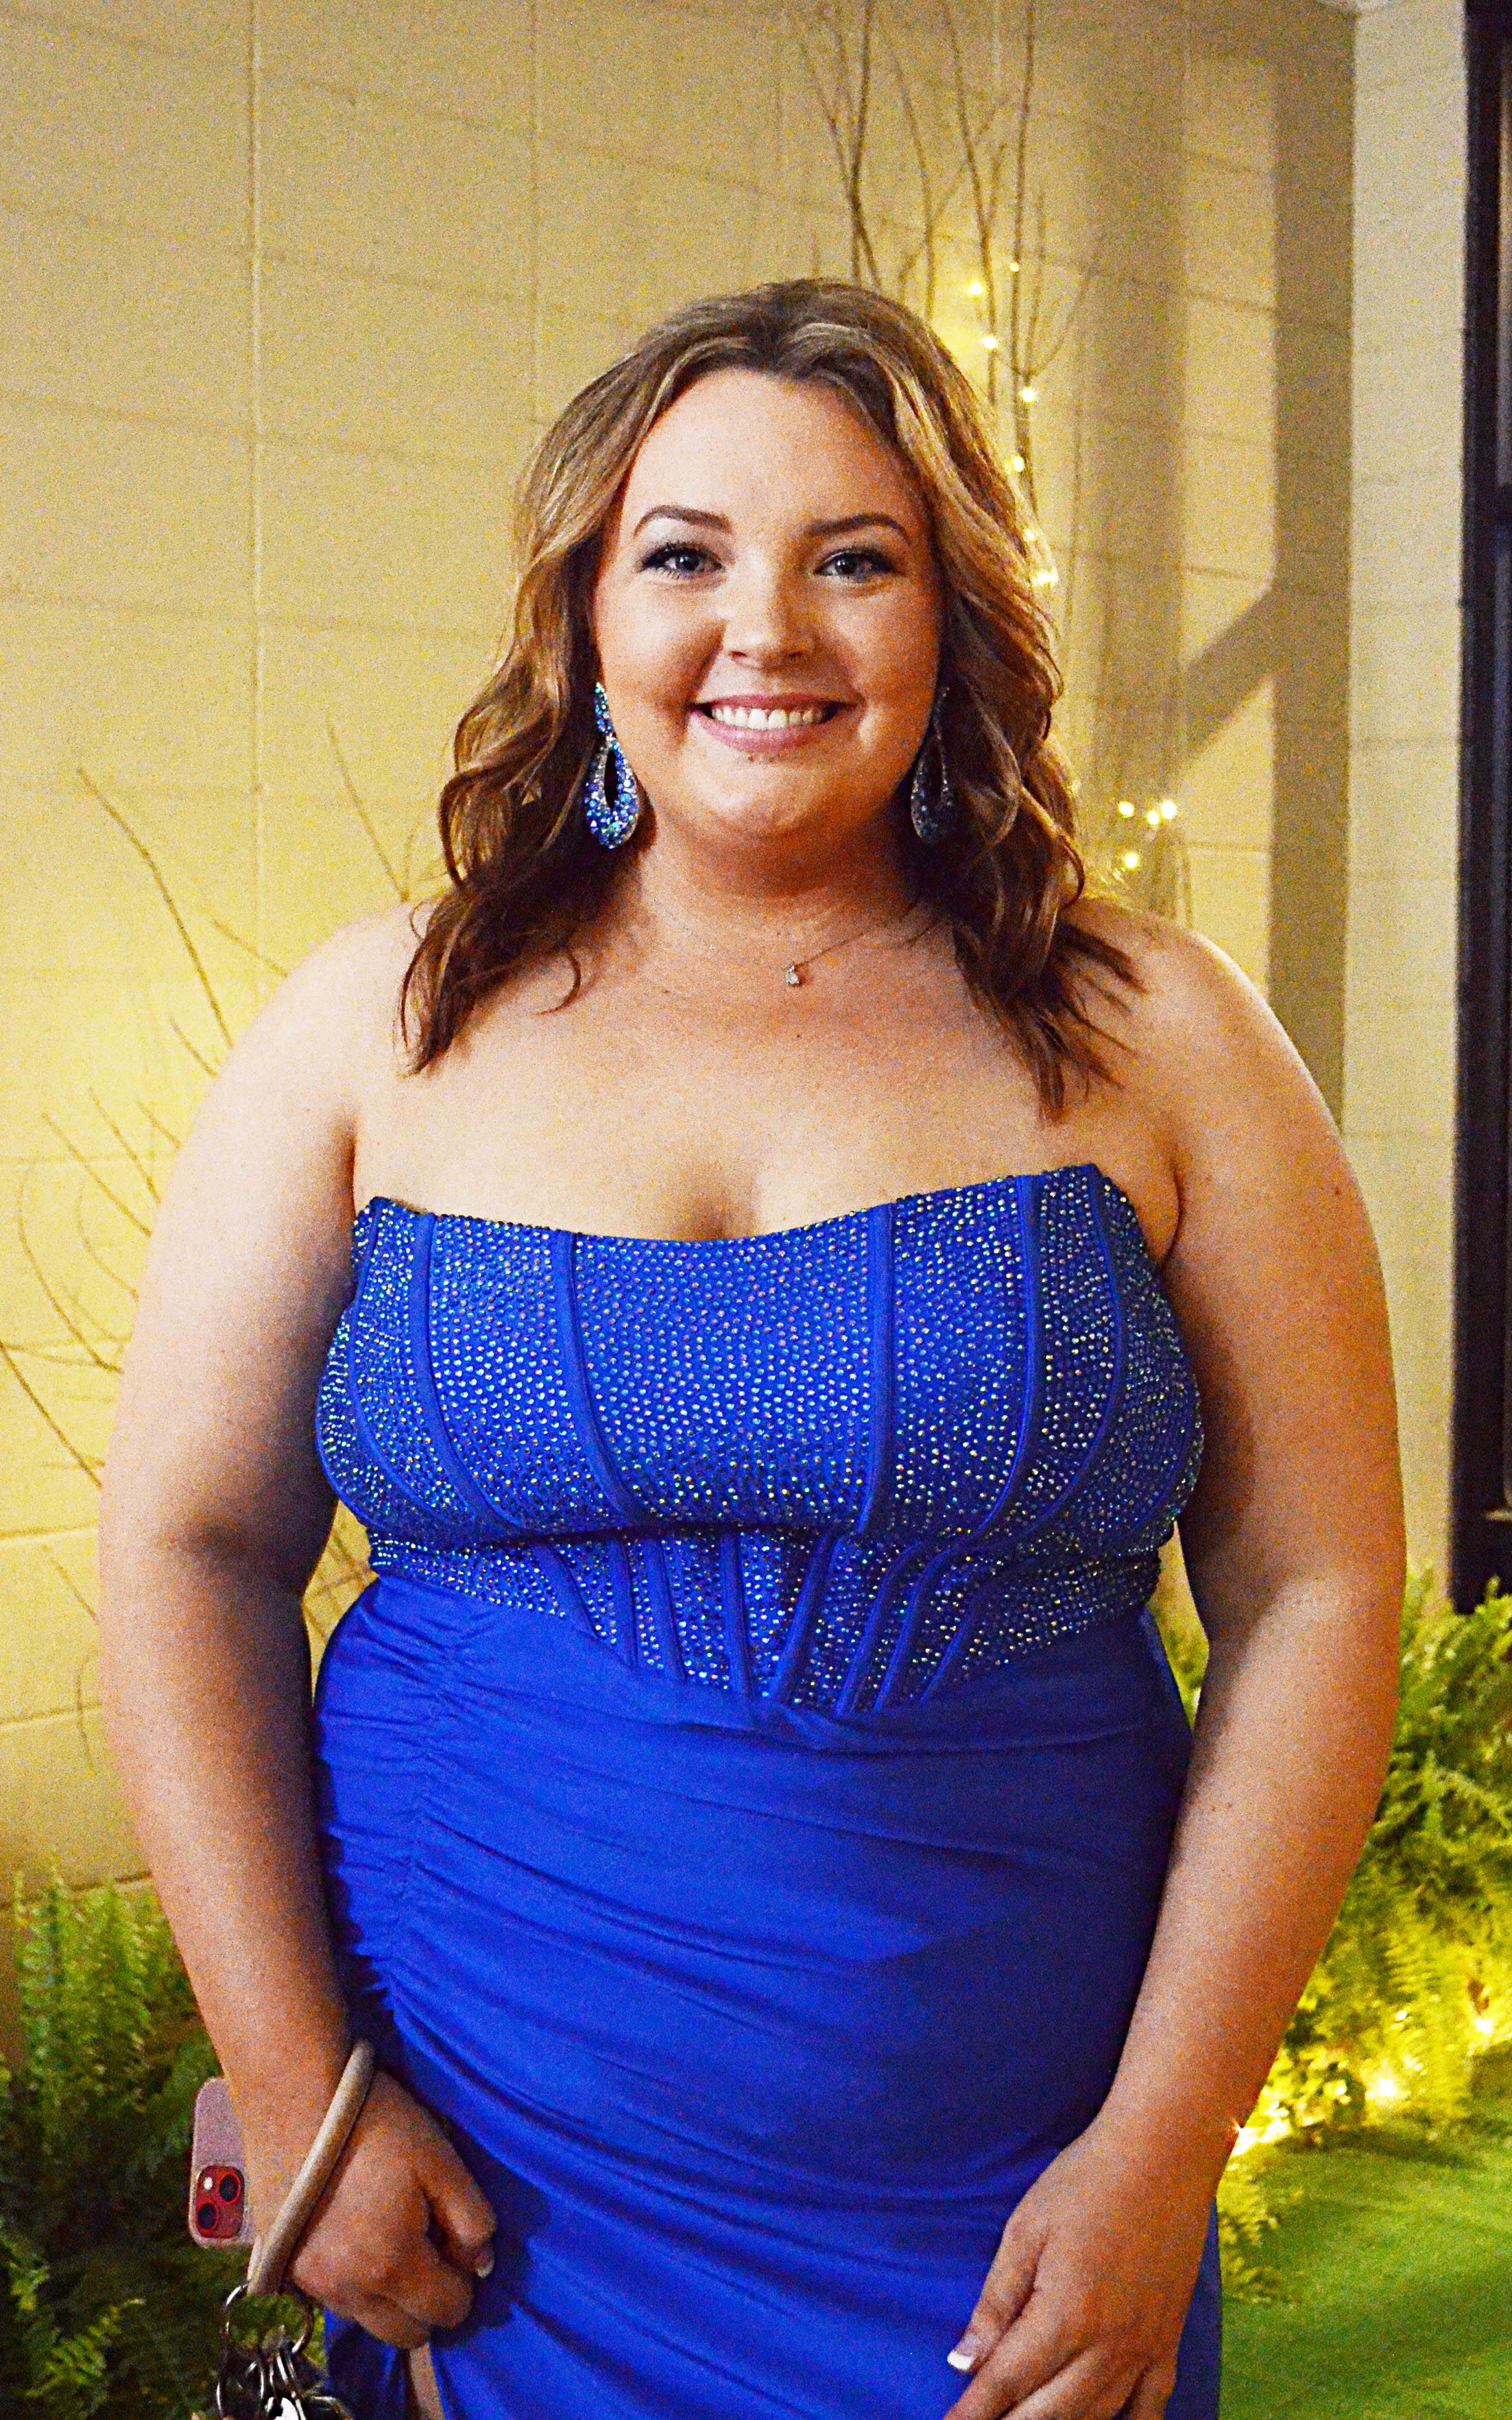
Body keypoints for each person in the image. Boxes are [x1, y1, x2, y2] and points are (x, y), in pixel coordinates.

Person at [97, 278, 1404, 2420]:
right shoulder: (374, 1023)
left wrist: (1168, 2149)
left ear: (954, 616)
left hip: (1019, 2193)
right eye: (685, 555)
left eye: (854, 560)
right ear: (586, 615)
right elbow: (186, 1550)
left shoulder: (1165, 1034)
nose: (766, 631)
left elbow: (1320, 1587)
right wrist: (296, 2086)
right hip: (476, 2172)